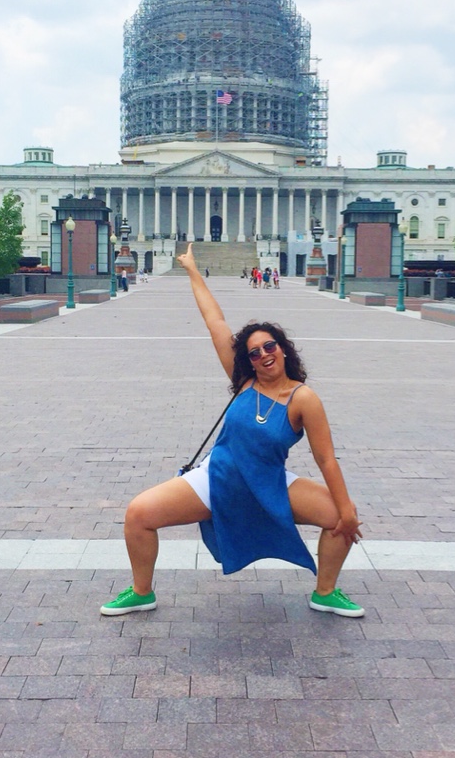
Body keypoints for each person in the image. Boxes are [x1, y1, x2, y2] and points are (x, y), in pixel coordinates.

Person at [100, 242, 364, 618]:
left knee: (341, 513)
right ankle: (141, 591)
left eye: (269, 346)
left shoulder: (304, 399)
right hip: (219, 476)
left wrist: (347, 509)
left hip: (269, 481)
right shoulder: (244, 383)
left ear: (283, 349)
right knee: (139, 514)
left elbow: (326, 459)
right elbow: (215, 322)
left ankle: (325, 591)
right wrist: (191, 268)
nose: (262, 355)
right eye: (254, 352)